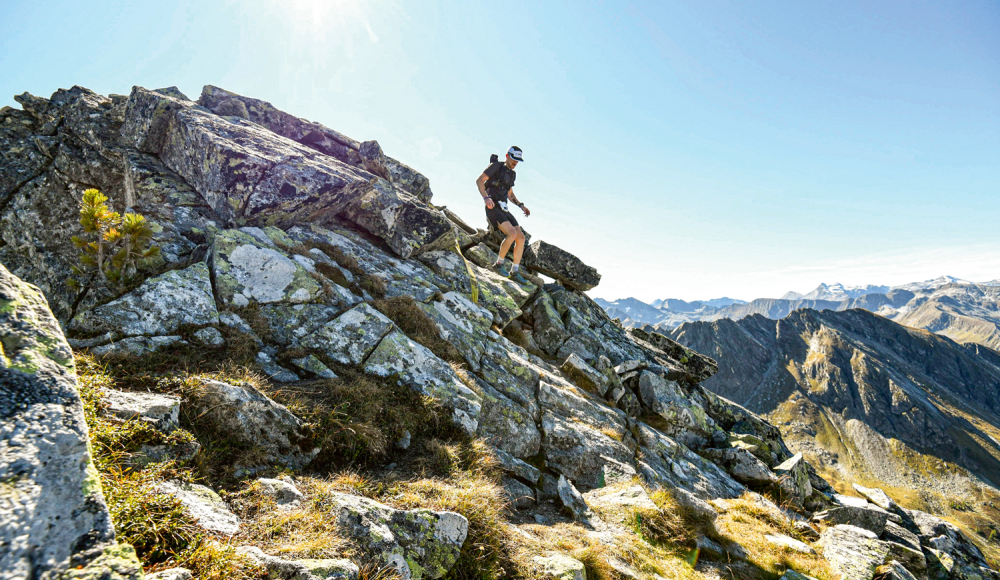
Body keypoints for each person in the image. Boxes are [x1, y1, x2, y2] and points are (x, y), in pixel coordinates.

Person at [476, 145, 531, 284]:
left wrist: (521, 205)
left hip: (504, 207)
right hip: (493, 206)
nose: (515, 163)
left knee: (521, 238)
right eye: (513, 160)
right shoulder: (496, 166)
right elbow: (479, 180)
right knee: (511, 234)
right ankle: (498, 265)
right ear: (507, 156)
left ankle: (515, 271)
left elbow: (510, 194)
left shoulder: (512, 174)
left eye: (517, 161)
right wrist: (486, 198)